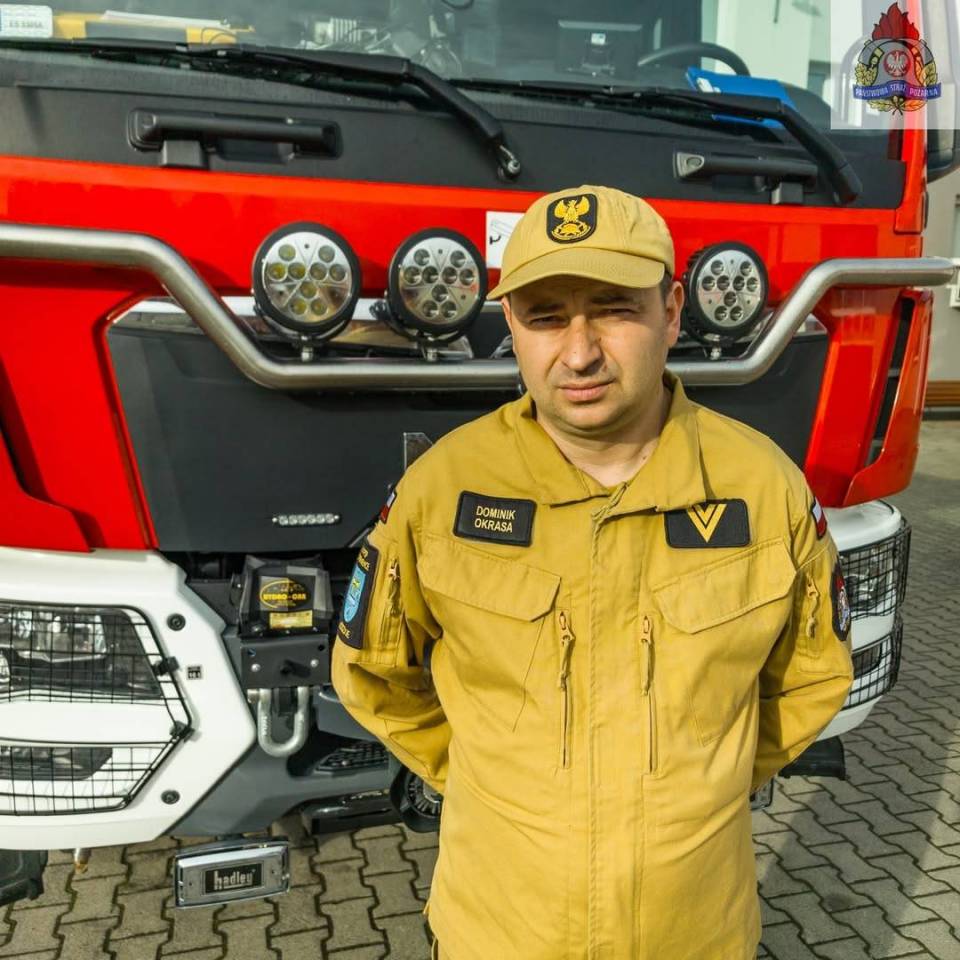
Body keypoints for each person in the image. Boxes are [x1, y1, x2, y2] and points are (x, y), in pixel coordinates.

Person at [331, 184, 855, 960]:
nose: (578, 354)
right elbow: (375, 673)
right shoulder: (441, 491)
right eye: (545, 317)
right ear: (511, 324)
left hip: (695, 937)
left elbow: (810, 675)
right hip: (499, 935)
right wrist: (490, 782)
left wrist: (701, 787)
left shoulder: (762, 488)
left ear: (671, 312)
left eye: (613, 310)